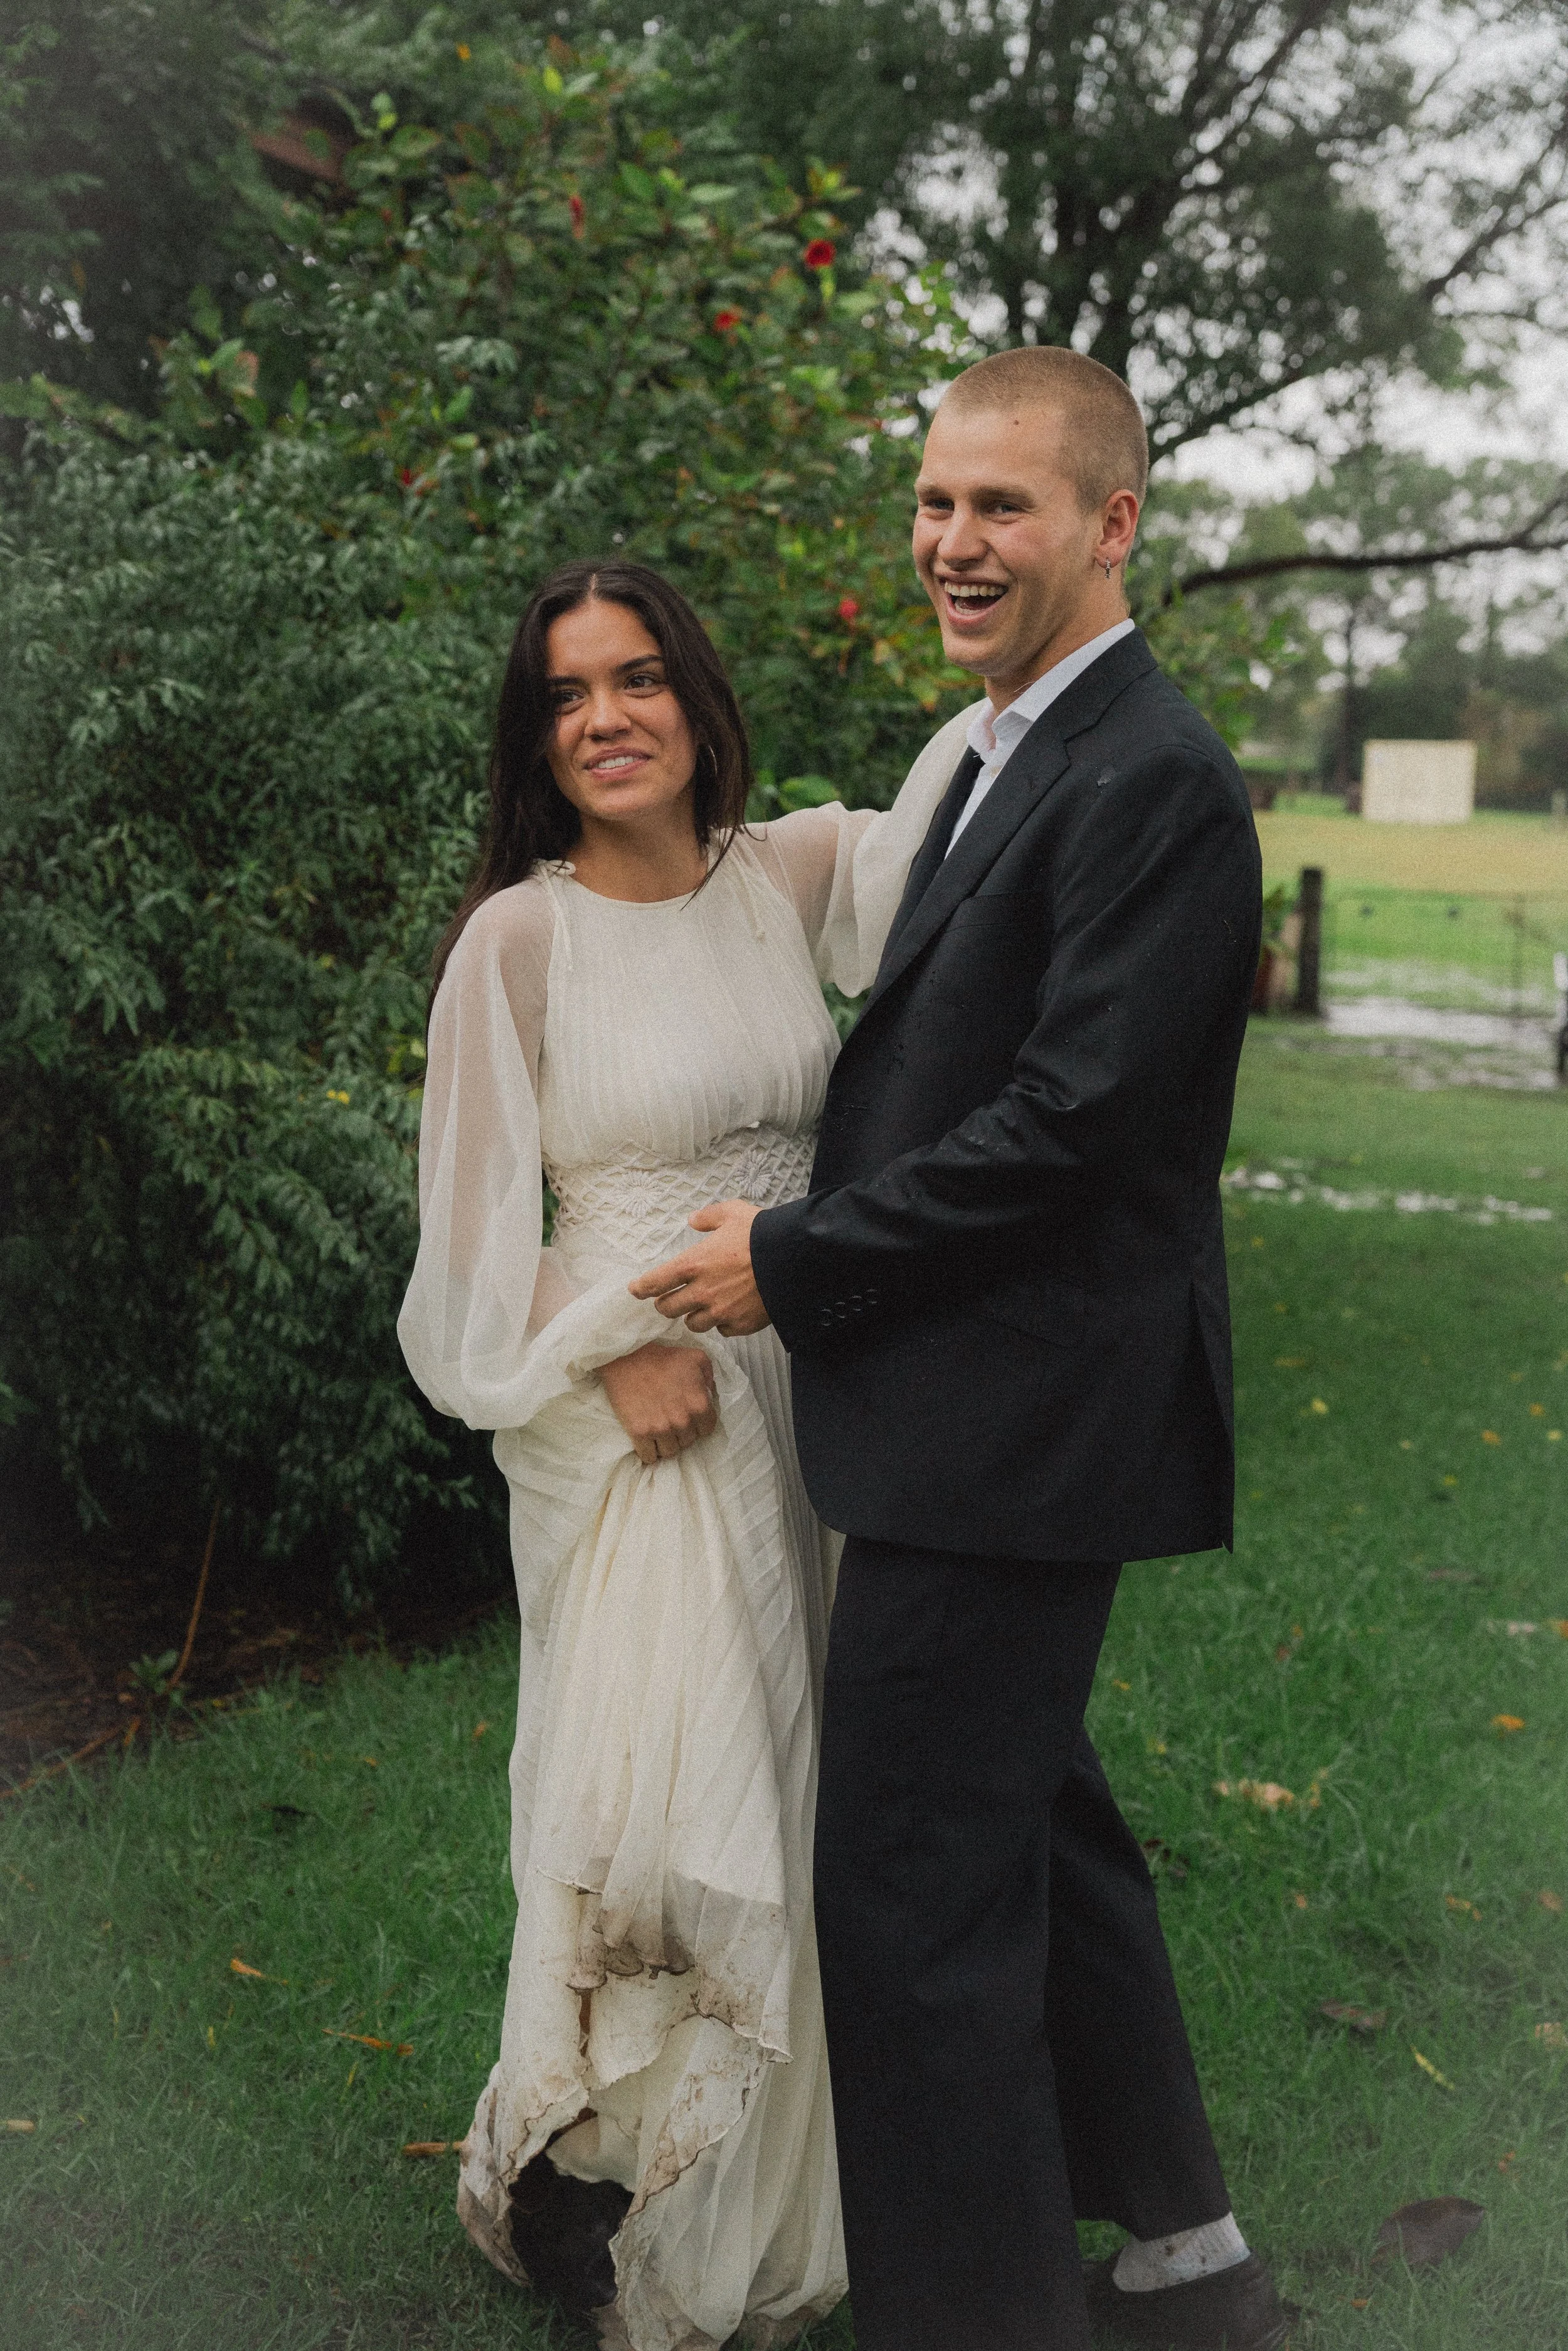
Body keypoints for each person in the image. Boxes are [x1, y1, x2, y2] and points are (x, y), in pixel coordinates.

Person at [630, 348, 1291, 2351]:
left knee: (914, 1893)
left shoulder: (1153, 775)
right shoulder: (994, 747)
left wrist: (801, 1255)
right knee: (1039, 1822)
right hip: (977, 1410)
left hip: (1024, 1422)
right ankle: (1187, 2265)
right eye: (933, 502)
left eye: (1000, 506)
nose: (950, 541)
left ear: (1115, 521)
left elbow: (1076, 1131)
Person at [396, 558, 957, 2350]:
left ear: (695, 699)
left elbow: (985, 835)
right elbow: (470, 1230)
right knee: (661, 1786)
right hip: (635, 1414)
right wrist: (619, 1340)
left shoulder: (786, 875)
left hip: (810, 1393)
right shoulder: (520, 937)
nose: (605, 717)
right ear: (535, 735)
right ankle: (616, 2165)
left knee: (797, 1781)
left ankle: (785, 2168)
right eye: (566, 694)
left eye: (636, 677)